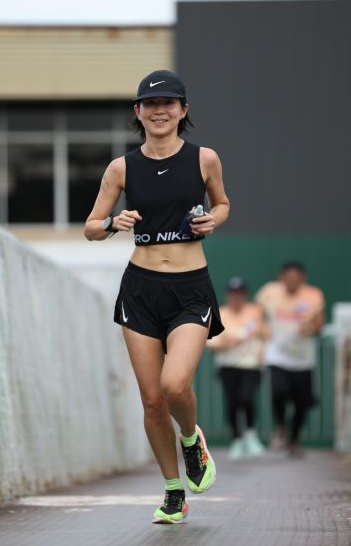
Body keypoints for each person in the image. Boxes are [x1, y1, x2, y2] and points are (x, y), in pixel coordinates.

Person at [84, 69, 230, 524]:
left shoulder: (204, 159)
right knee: (151, 399)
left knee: (174, 386)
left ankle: (191, 439)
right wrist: (114, 224)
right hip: (141, 290)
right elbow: (91, 227)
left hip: (190, 288)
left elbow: (222, 203)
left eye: (168, 103)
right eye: (150, 104)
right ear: (138, 112)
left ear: (183, 110)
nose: (159, 110)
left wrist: (214, 220)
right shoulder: (121, 168)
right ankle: (172, 492)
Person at [256, 262, 325, 457]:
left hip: (303, 358)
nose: (291, 282)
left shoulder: (313, 295)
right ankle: (280, 425)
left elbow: (319, 324)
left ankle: (294, 440)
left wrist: (311, 329)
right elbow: (259, 316)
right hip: (277, 354)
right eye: (288, 278)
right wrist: (263, 332)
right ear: (281, 277)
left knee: (302, 402)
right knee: (278, 391)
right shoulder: (269, 292)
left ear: (303, 278)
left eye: (296, 278)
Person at [207, 277, 267, 460]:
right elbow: (214, 345)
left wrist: (263, 350)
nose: (236, 297)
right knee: (233, 402)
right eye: (233, 294)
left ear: (245, 295)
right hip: (228, 366)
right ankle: (237, 439)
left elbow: (265, 334)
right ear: (228, 295)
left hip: (251, 365)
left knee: (246, 397)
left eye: (240, 294)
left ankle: (250, 435)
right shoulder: (219, 314)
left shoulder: (254, 312)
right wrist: (231, 343)